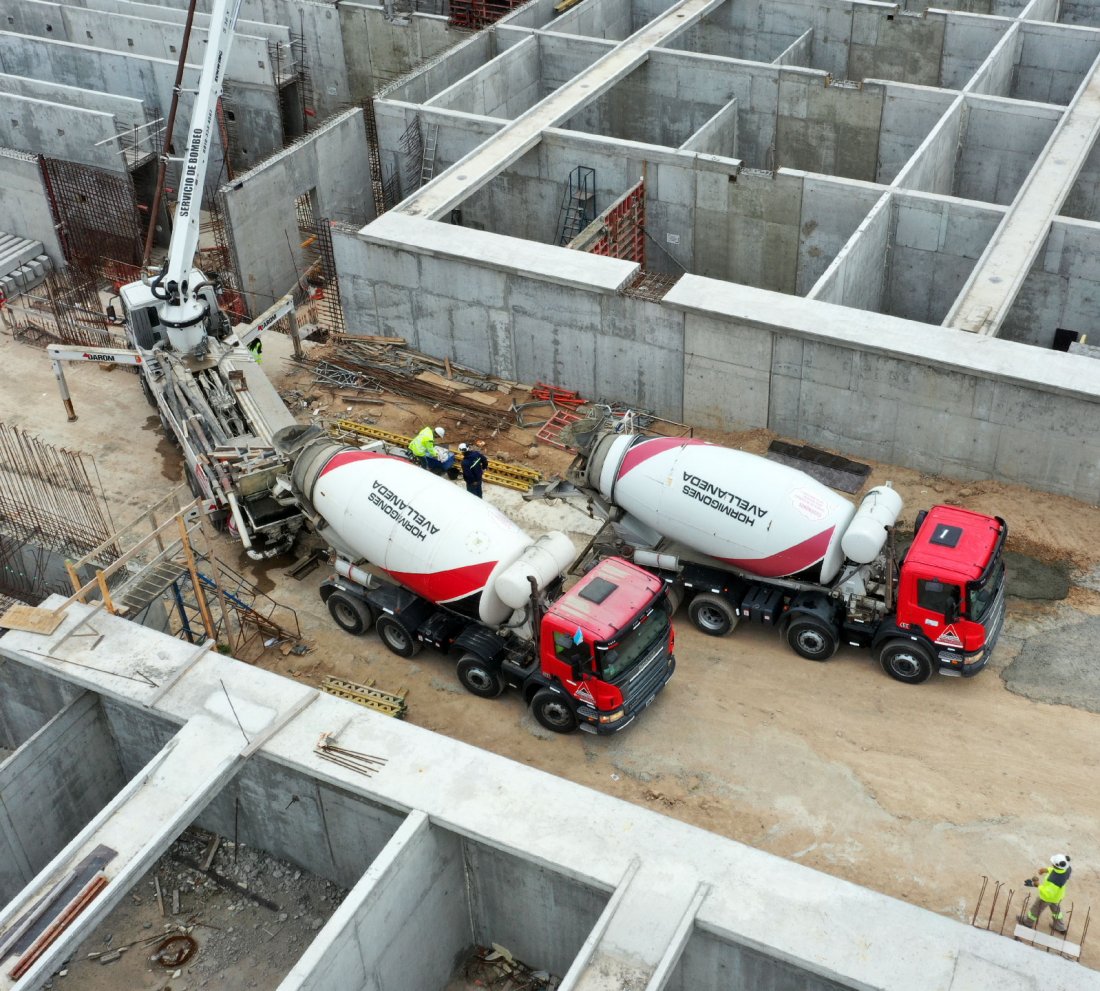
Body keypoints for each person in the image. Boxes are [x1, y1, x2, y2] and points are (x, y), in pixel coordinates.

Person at [1019, 854, 1072, 933]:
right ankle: (1060, 926)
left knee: (1035, 910)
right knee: (1056, 912)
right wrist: (1047, 870)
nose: (1052, 864)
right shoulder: (1067, 869)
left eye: (1053, 864)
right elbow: (1058, 871)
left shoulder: (1054, 880)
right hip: (1057, 896)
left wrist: (1038, 885)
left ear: (1055, 865)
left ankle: (1028, 922)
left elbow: (1048, 893)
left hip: (1046, 898)